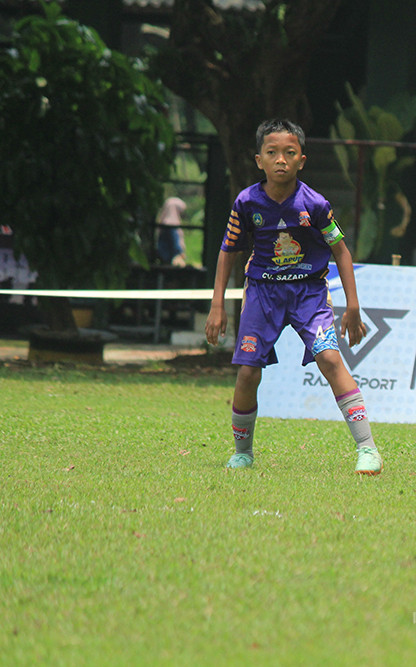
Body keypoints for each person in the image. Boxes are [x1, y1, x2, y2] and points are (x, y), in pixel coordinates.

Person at [205, 118, 383, 475]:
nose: (280, 160)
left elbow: (342, 252)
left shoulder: (315, 204)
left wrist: (353, 306)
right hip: (261, 294)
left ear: (302, 159)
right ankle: (243, 453)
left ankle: (368, 449)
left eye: (289, 153)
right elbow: (228, 251)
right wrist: (217, 306)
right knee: (247, 373)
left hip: (309, 294)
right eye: (272, 153)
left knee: (331, 360)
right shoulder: (246, 202)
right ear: (259, 160)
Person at [156, 196, 188, 266]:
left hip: (163, 257)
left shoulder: (164, 223)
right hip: (169, 259)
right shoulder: (171, 225)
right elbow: (175, 242)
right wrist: (180, 253)